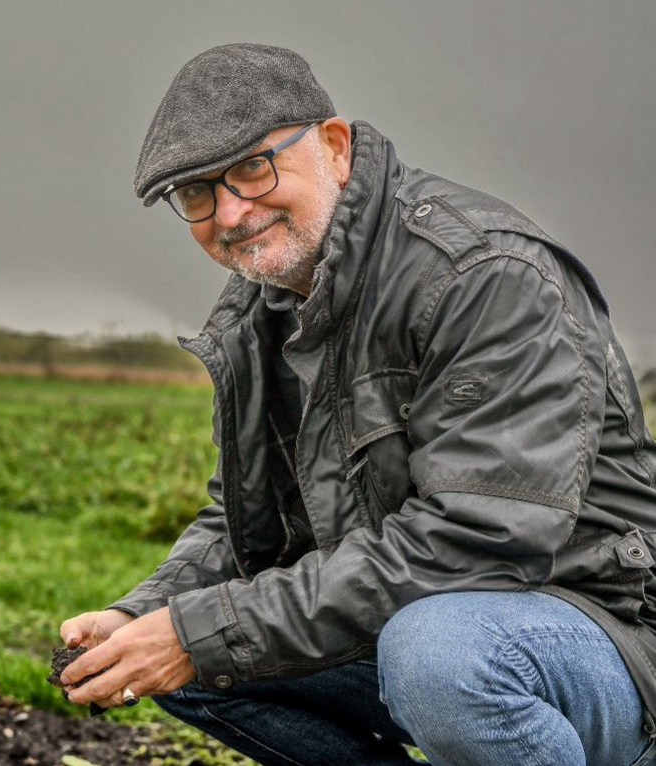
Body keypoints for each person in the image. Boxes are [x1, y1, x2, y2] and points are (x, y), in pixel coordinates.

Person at [57, 43, 656, 766]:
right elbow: (249, 517)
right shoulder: (265, 306)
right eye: (195, 193)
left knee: (437, 653)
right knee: (186, 652)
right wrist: (145, 614)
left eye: (252, 167)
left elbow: (475, 541)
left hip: (603, 632)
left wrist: (197, 631)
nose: (231, 211)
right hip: (424, 615)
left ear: (334, 147)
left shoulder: (484, 276)